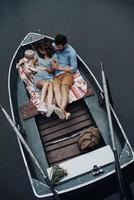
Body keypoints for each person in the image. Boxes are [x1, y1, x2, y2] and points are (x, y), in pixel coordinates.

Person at [52, 34, 78, 120]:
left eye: (59, 47)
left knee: (64, 88)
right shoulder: (53, 45)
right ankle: (64, 112)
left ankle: (62, 109)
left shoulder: (71, 52)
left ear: (65, 45)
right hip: (56, 75)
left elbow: (73, 69)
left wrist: (59, 67)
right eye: (56, 46)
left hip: (67, 74)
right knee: (56, 89)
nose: (56, 48)